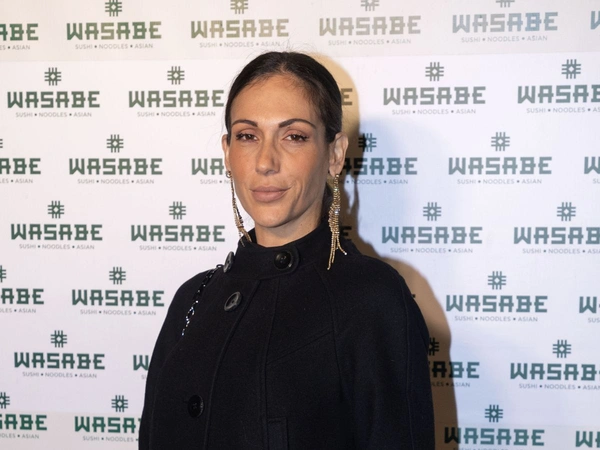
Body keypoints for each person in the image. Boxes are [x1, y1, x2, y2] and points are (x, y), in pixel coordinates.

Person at [139, 51, 434, 450]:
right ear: (227, 152)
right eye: (247, 136)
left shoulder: (371, 299)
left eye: (293, 136)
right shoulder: (193, 298)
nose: (265, 162)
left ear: (334, 154)